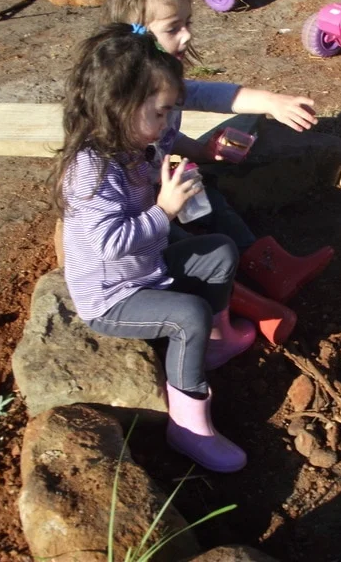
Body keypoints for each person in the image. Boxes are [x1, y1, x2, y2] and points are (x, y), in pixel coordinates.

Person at [51, 23, 251, 473]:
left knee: (219, 251)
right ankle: (188, 428)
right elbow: (108, 244)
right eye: (159, 114)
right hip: (113, 295)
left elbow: (146, 210)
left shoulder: (133, 145)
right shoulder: (91, 169)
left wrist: (169, 185)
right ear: (120, 107)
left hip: (146, 267)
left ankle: (215, 346)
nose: (166, 125)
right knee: (188, 316)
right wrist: (163, 209)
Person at [100, 0, 335, 345]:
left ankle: (272, 271)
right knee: (181, 249)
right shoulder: (123, 96)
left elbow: (207, 100)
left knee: (211, 202)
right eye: (174, 27)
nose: (187, 35)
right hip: (141, 213)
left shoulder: (159, 80)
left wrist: (206, 148)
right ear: (135, 35)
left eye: (187, 23)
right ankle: (256, 307)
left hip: (163, 185)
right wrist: (165, 204)